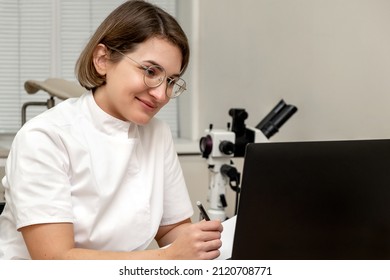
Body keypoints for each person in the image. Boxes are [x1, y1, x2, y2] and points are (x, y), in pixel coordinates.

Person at [0, 0, 222, 260]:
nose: (161, 94)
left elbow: (172, 228)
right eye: (151, 71)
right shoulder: (44, 137)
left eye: (171, 81)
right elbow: (55, 260)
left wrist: (199, 243)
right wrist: (168, 258)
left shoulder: (157, 134)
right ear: (103, 60)